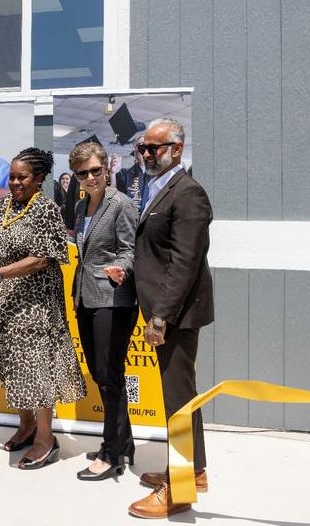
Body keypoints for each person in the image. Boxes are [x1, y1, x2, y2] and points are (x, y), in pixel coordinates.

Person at [0, 147, 86, 470]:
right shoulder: (6, 205)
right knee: (12, 365)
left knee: (36, 369)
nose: (16, 182)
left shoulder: (46, 210)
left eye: (23, 178)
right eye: (13, 177)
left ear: (39, 179)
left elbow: (41, 259)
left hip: (35, 304)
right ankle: (26, 424)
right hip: (4, 302)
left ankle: (46, 439)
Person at [128, 118, 214, 519]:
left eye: (154, 148)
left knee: (177, 401)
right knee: (181, 397)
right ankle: (191, 471)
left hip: (175, 315)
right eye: (142, 148)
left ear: (177, 149)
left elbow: (184, 263)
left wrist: (160, 317)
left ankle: (178, 491)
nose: (146, 154)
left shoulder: (188, 193)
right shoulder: (158, 187)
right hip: (164, 309)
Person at [68, 142, 139, 481]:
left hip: (113, 298)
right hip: (86, 297)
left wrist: (121, 268)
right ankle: (124, 442)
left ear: (106, 170)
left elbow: (129, 250)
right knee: (102, 375)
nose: (91, 177)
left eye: (96, 171)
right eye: (84, 173)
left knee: (109, 377)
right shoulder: (83, 207)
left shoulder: (120, 204)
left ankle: (111, 452)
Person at [115, 135, 151, 215]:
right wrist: (112, 173)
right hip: (129, 221)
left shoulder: (160, 175)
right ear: (135, 150)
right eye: (141, 146)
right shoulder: (124, 174)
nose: (145, 151)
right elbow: (116, 199)